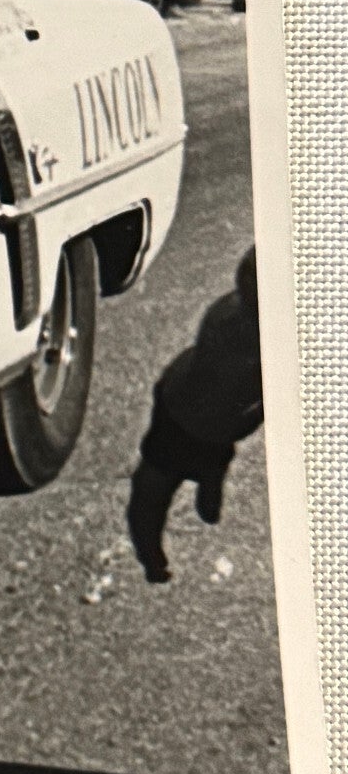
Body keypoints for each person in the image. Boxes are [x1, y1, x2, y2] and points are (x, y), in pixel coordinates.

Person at [127, 247, 262, 582]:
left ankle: (156, 553)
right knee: (158, 486)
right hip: (193, 416)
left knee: (156, 486)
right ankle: (157, 552)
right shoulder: (248, 339)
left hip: (187, 404)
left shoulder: (230, 311)